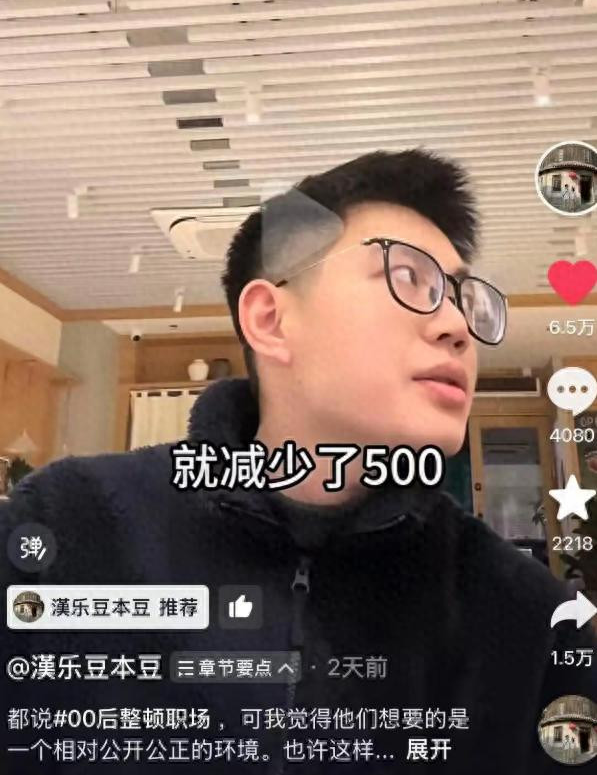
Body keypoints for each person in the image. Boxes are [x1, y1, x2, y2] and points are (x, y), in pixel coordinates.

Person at [1, 149, 596, 775]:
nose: (456, 326)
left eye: (460, 297)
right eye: (410, 278)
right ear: (271, 320)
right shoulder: (72, 526)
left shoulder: (528, 616)